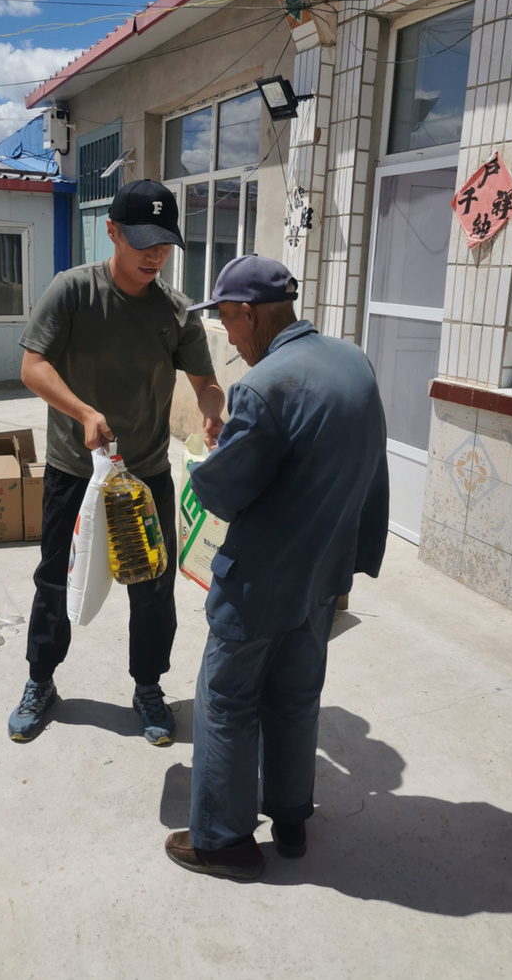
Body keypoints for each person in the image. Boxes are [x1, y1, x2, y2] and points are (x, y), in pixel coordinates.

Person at [164, 254, 389, 880]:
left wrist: (211, 457)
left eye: (229, 324)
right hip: (323, 575)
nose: (230, 339)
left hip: (261, 581)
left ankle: (224, 840)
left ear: (249, 312)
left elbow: (222, 493)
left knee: (227, 701)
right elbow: (363, 466)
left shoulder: (263, 387)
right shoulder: (353, 362)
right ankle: (291, 818)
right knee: (294, 698)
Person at [8, 179, 225, 745]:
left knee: (152, 586)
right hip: (75, 475)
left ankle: (148, 686)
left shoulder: (175, 311)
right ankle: (40, 680)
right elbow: (33, 367)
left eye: (164, 244)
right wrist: (82, 411)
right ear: (113, 232)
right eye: (143, 241)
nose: (155, 255)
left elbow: (205, 380)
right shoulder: (73, 291)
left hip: (146, 475)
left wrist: (211, 408)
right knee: (56, 580)